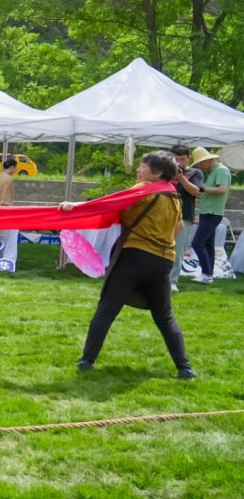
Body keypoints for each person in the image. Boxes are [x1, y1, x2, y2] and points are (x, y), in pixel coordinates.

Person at [61, 150, 194, 379]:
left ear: (157, 173)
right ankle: (185, 368)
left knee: (107, 309)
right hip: (164, 261)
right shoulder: (174, 195)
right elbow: (178, 228)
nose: (139, 169)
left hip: (135, 257)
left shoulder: (143, 190)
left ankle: (87, 360)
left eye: (143, 166)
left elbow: (107, 204)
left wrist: (74, 206)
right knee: (165, 317)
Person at [190, 147, 231, 285]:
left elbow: (222, 189)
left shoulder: (221, 170)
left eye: (199, 163)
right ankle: (208, 275)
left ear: (208, 160)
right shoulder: (213, 172)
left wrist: (201, 189)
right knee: (208, 245)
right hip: (207, 212)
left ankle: (207, 274)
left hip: (212, 213)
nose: (199, 166)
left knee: (197, 243)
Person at [168, 145, 203, 291]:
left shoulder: (195, 172)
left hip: (184, 216)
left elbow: (195, 192)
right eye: (175, 159)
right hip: (163, 215)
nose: (179, 162)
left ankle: (172, 281)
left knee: (178, 249)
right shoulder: (164, 172)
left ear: (189, 158)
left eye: (182, 159)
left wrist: (181, 178)